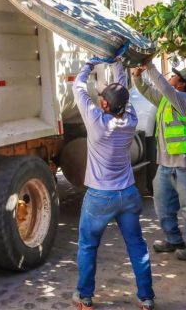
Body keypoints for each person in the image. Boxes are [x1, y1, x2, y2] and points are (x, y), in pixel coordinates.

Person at [72, 59, 155, 310]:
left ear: (105, 104)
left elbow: (77, 87)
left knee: (88, 245)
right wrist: (117, 63)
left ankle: (84, 297)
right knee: (137, 246)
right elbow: (122, 91)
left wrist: (89, 64)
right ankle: (146, 298)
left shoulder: (97, 122)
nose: (99, 100)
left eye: (102, 98)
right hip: (128, 194)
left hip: (100, 197)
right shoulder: (129, 119)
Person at [133, 62, 186, 261]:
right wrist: (137, 76)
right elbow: (145, 90)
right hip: (166, 165)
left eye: (174, 76)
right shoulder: (167, 101)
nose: (170, 78)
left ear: (182, 84)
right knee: (163, 205)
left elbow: (163, 87)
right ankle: (174, 239)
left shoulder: (183, 100)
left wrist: (149, 66)